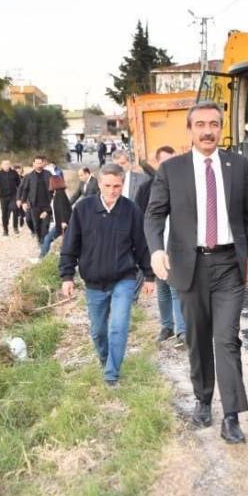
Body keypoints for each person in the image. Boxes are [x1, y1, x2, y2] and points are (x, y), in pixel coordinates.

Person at [145, 101, 248, 444]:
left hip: (229, 266)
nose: (208, 130)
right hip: (189, 266)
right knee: (197, 339)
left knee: (226, 339)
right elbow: (154, 215)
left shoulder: (238, 165)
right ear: (190, 130)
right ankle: (203, 399)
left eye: (213, 124)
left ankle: (231, 416)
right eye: (201, 125)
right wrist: (155, 250)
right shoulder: (172, 170)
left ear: (221, 128)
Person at [60, 163, 155, 387]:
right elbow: (70, 245)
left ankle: (112, 374)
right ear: (99, 183)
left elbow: (142, 246)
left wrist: (149, 276)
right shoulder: (83, 209)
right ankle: (105, 360)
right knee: (99, 331)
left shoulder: (131, 210)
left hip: (124, 279)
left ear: (123, 184)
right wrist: (66, 277)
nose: (112, 191)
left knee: (118, 326)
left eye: (117, 186)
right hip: (93, 282)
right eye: (108, 185)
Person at [149, 146, 185, 349]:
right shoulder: (148, 187)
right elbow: (143, 218)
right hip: (156, 246)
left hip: (176, 246)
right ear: (158, 163)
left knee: (175, 288)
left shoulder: (184, 186)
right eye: (165, 162)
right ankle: (167, 327)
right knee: (162, 289)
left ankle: (182, 331)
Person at [39, 168, 73, 258]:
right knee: (50, 239)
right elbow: (56, 208)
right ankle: (43, 257)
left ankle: (41, 258)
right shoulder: (58, 193)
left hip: (62, 223)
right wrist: (46, 212)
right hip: (60, 223)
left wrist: (63, 221)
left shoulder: (60, 194)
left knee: (48, 239)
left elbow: (62, 209)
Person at [22, 155, 53, 243]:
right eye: (37, 163)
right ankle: (40, 241)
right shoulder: (29, 176)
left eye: (40, 163)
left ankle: (44, 244)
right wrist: (23, 202)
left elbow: (53, 188)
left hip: (46, 205)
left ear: (43, 163)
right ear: (34, 164)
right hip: (34, 205)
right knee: (37, 226)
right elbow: (25, 190)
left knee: (45, 226)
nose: (39, 165)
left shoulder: (48, 174)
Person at [0, 160, 22, 236]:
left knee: (15, 209)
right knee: (4, 213)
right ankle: (5, 230)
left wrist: (20, 194)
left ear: (10, 165)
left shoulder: (14, 173)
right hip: (3, 196)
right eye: (4, 164)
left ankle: (15, 227)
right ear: (1, 166)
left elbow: (19, 184)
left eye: (8, 164)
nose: (6, 166)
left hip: (13, 195)